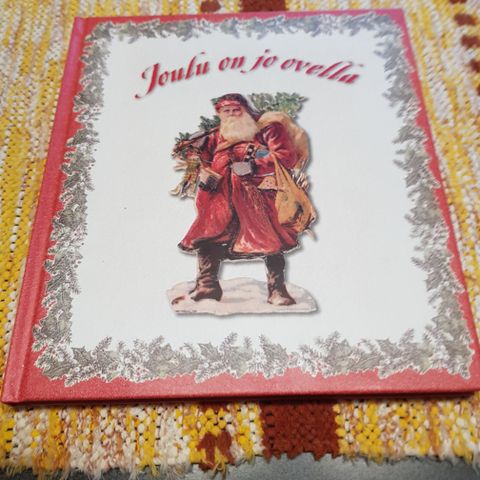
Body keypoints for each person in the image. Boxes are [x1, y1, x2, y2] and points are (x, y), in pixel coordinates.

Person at [177, 93, 304, 306]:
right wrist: (199, 156)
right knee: (208, 236)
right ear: (220, 114)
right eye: (226, 111)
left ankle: (278, 290)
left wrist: (255, 166)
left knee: (270, 239)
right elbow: (204, 158)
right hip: (219, 198)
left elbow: (286, 157)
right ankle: (207, 286)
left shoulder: (268, 129)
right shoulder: (216, 135)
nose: (232, 115)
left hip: (257, 196)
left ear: (246, 110)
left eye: (236, 110)